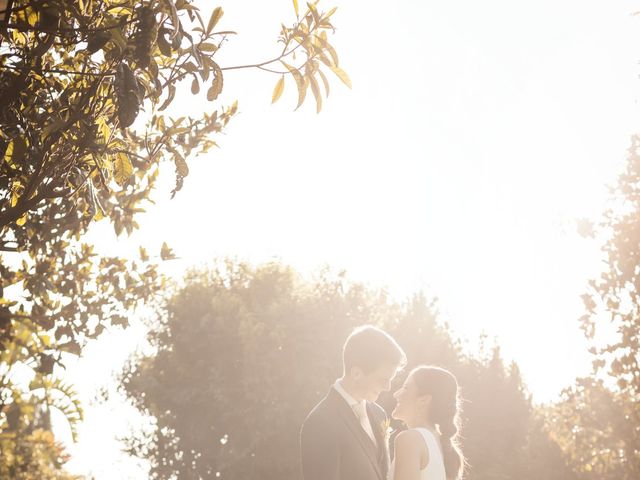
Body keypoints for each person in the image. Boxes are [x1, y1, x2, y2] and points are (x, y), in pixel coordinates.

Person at [300, 325, 407, 480]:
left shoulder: (379, 414)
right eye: (383, 379)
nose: (388, 387)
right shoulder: (320, 422)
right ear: (356, 373)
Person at [389, 366, 465, 480]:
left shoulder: (410, 439)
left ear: (424, 400)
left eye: (405, 388)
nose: (396, 394)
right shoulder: (443, 445)